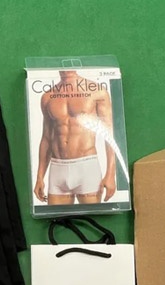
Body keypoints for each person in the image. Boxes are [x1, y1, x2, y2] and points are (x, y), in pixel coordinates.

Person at [34, 71, 116, 205]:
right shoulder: (47, 96)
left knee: (91, 216)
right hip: (57, 168)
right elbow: (46, 138)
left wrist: (111, 174)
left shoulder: (97, 92)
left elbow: (109, 133)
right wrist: (39, 176)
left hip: (87, 167)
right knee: (57, 217)